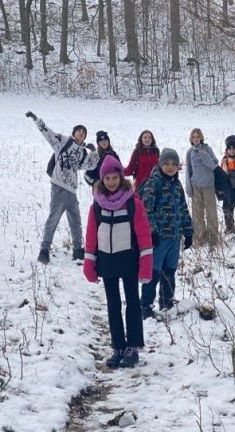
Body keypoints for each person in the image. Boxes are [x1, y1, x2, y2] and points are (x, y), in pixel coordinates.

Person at [82, 155, 153, 368]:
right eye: (107, 178)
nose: (111, 182)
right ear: (101, 180)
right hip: (107, 263)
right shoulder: (96, 207)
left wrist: (146, 264)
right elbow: (91, 237)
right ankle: (118, 346)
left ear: (121, 178)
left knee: (132, 303)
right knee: (113, 305)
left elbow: (143, 235)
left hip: (129, 261)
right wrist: (89, 263)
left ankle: (133, 347)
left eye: (115, 177)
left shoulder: (133, 204)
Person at [25, 111, 99, 265]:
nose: (81, 133)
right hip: (59, 187)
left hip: (72, 191)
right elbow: (48, 133)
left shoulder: (82, 153)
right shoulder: (63, 142)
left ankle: (78, 250)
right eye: (79, 130)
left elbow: (91, 165)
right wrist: (36, 120)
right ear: (74, 133)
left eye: (83, 132)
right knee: (53, 219)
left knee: (76, 221)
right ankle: (44, 250)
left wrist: (94, 152)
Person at [138, 148, 194, 320]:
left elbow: (183, 209)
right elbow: (146, 210)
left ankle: (166, 301)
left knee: (169, 270)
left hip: (175, 237)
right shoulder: (153, 183)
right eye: (167, 164)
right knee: (153, 272)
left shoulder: (177, 185)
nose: (170, 167)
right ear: (160, 164)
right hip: (159, 238)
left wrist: (188, 231)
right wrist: (152, 231)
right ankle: (145, 305)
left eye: (174, 164)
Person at [185, 128, 220, 247]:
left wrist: (204, 155)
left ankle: (213, 239)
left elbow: (214, 165)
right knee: (197, 214)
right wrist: (189, 187)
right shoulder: (190, 152)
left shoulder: (207, 149)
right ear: (191, 139)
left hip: (209, 185)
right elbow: (188, 171)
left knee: (211, 213)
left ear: (201, 138)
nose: (195, 139)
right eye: (193, 137)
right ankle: (200, 238)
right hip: (196, 186)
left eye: (197, 137)